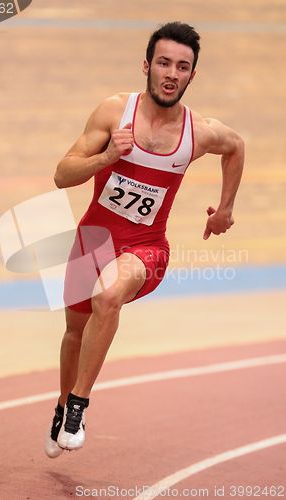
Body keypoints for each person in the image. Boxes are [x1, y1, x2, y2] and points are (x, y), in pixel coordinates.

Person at [45, 21, 244, 458]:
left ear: (193, 75)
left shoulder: (199, 132)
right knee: (74, 333)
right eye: (164, 63)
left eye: (183, 66)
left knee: (109, 294)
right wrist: (107, 156)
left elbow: (236, 146)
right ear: (147, 66)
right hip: (92, 241)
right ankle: (61, 404)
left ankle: (78, 404)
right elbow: (62, 175)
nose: (172, 73)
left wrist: (226, 208)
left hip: (147, 247)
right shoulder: (115, 112)